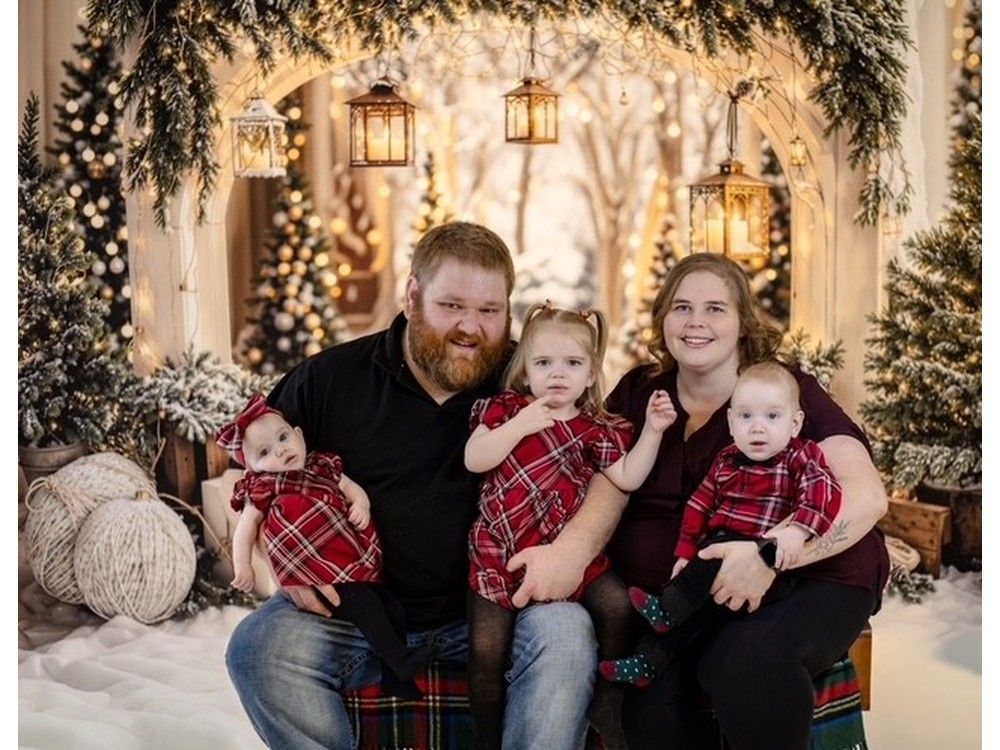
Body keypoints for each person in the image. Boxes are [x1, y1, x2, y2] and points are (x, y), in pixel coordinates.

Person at [226, 222, 616, 750]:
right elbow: (253, 477)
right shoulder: (330, 380)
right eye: (452, 306)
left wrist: (575, 548)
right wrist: (283, 558)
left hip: (504, 606)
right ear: (412, 296)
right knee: (257, 649)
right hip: (358, 613)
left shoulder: (534, 374)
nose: (471, 328)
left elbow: (611, 464)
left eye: (489, 310)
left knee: (566, 634)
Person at [580, 252, 890, 749]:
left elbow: (867, 497)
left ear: (744, 323)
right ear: (662, 318)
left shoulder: (785, 392)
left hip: (814, 577)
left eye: (715, 309)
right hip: (694, 595)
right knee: (647, 704)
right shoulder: (640, 393)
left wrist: (769, 556)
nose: (696, 321)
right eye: (682, 307)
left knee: (748, 660)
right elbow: (600, 482)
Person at [463, 303, 676, 749]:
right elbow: (474, 458)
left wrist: (653, 431)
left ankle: (608, 702)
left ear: (591, 373)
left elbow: (627, 478)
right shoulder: (506, 409)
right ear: (525, 372)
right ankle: (487, 739)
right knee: (485, 651)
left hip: (567, 557)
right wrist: (520, 425)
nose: (558, 374)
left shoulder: (597, 429)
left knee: (618, 607)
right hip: (499, 552)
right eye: (544, 363)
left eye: (573, 364)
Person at [599, 360, 842, 687]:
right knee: (689, 619)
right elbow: (699, 505)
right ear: (730, 422)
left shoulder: (800, 457)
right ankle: (647, 663)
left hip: (759, 564)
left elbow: (824, 492)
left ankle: (667, 608)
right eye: (746, 416)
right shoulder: (726, 460)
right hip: (717, 554)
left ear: (795, 423)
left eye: (772, 417)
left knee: (684, 604)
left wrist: (797, 531)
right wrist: (685, 553)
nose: (757, 428)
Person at [216, 393, 434, 698]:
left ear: (299, 435)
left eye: (283, 437)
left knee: (391, 607)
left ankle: (395, 677)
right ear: (252, 467)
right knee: (368, 608)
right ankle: (402, 662)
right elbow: (245, 528)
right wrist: (243, 565)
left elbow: (352, 489)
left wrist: (361, 506)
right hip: (322, 576)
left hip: (350, 560)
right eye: (265, 452)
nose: (280, 450)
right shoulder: (263, 487)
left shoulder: (323, 466)